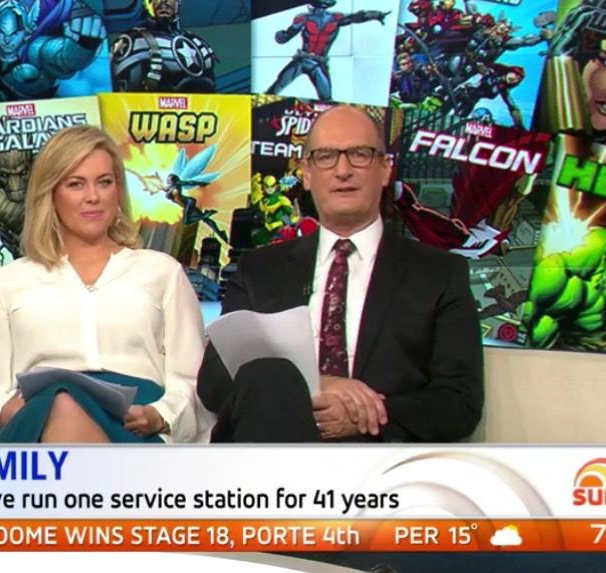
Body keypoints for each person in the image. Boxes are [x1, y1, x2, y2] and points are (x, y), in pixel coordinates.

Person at [197, 105, 484, 443]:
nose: (343, 170)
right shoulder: (258, 270)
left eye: (360, 154)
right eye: (326, 156)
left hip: (376, 460)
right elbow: (213, 383)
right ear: (306, 173)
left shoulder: (439, 273)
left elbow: (459, 403)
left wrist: (363, 415)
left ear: (385, 169)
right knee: (269, 375)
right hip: (266, 451)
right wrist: (316, 385)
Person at [0, 124, 210, 445]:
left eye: (104, 182)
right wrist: (14, 410)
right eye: (76, 184)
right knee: (63, 403)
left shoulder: (162, 273)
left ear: (118, 190)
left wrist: (161, 414)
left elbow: (193, 383)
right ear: (50, 194)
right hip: (36, 420)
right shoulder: (7, 283)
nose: (93, 196)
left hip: (135, 424)